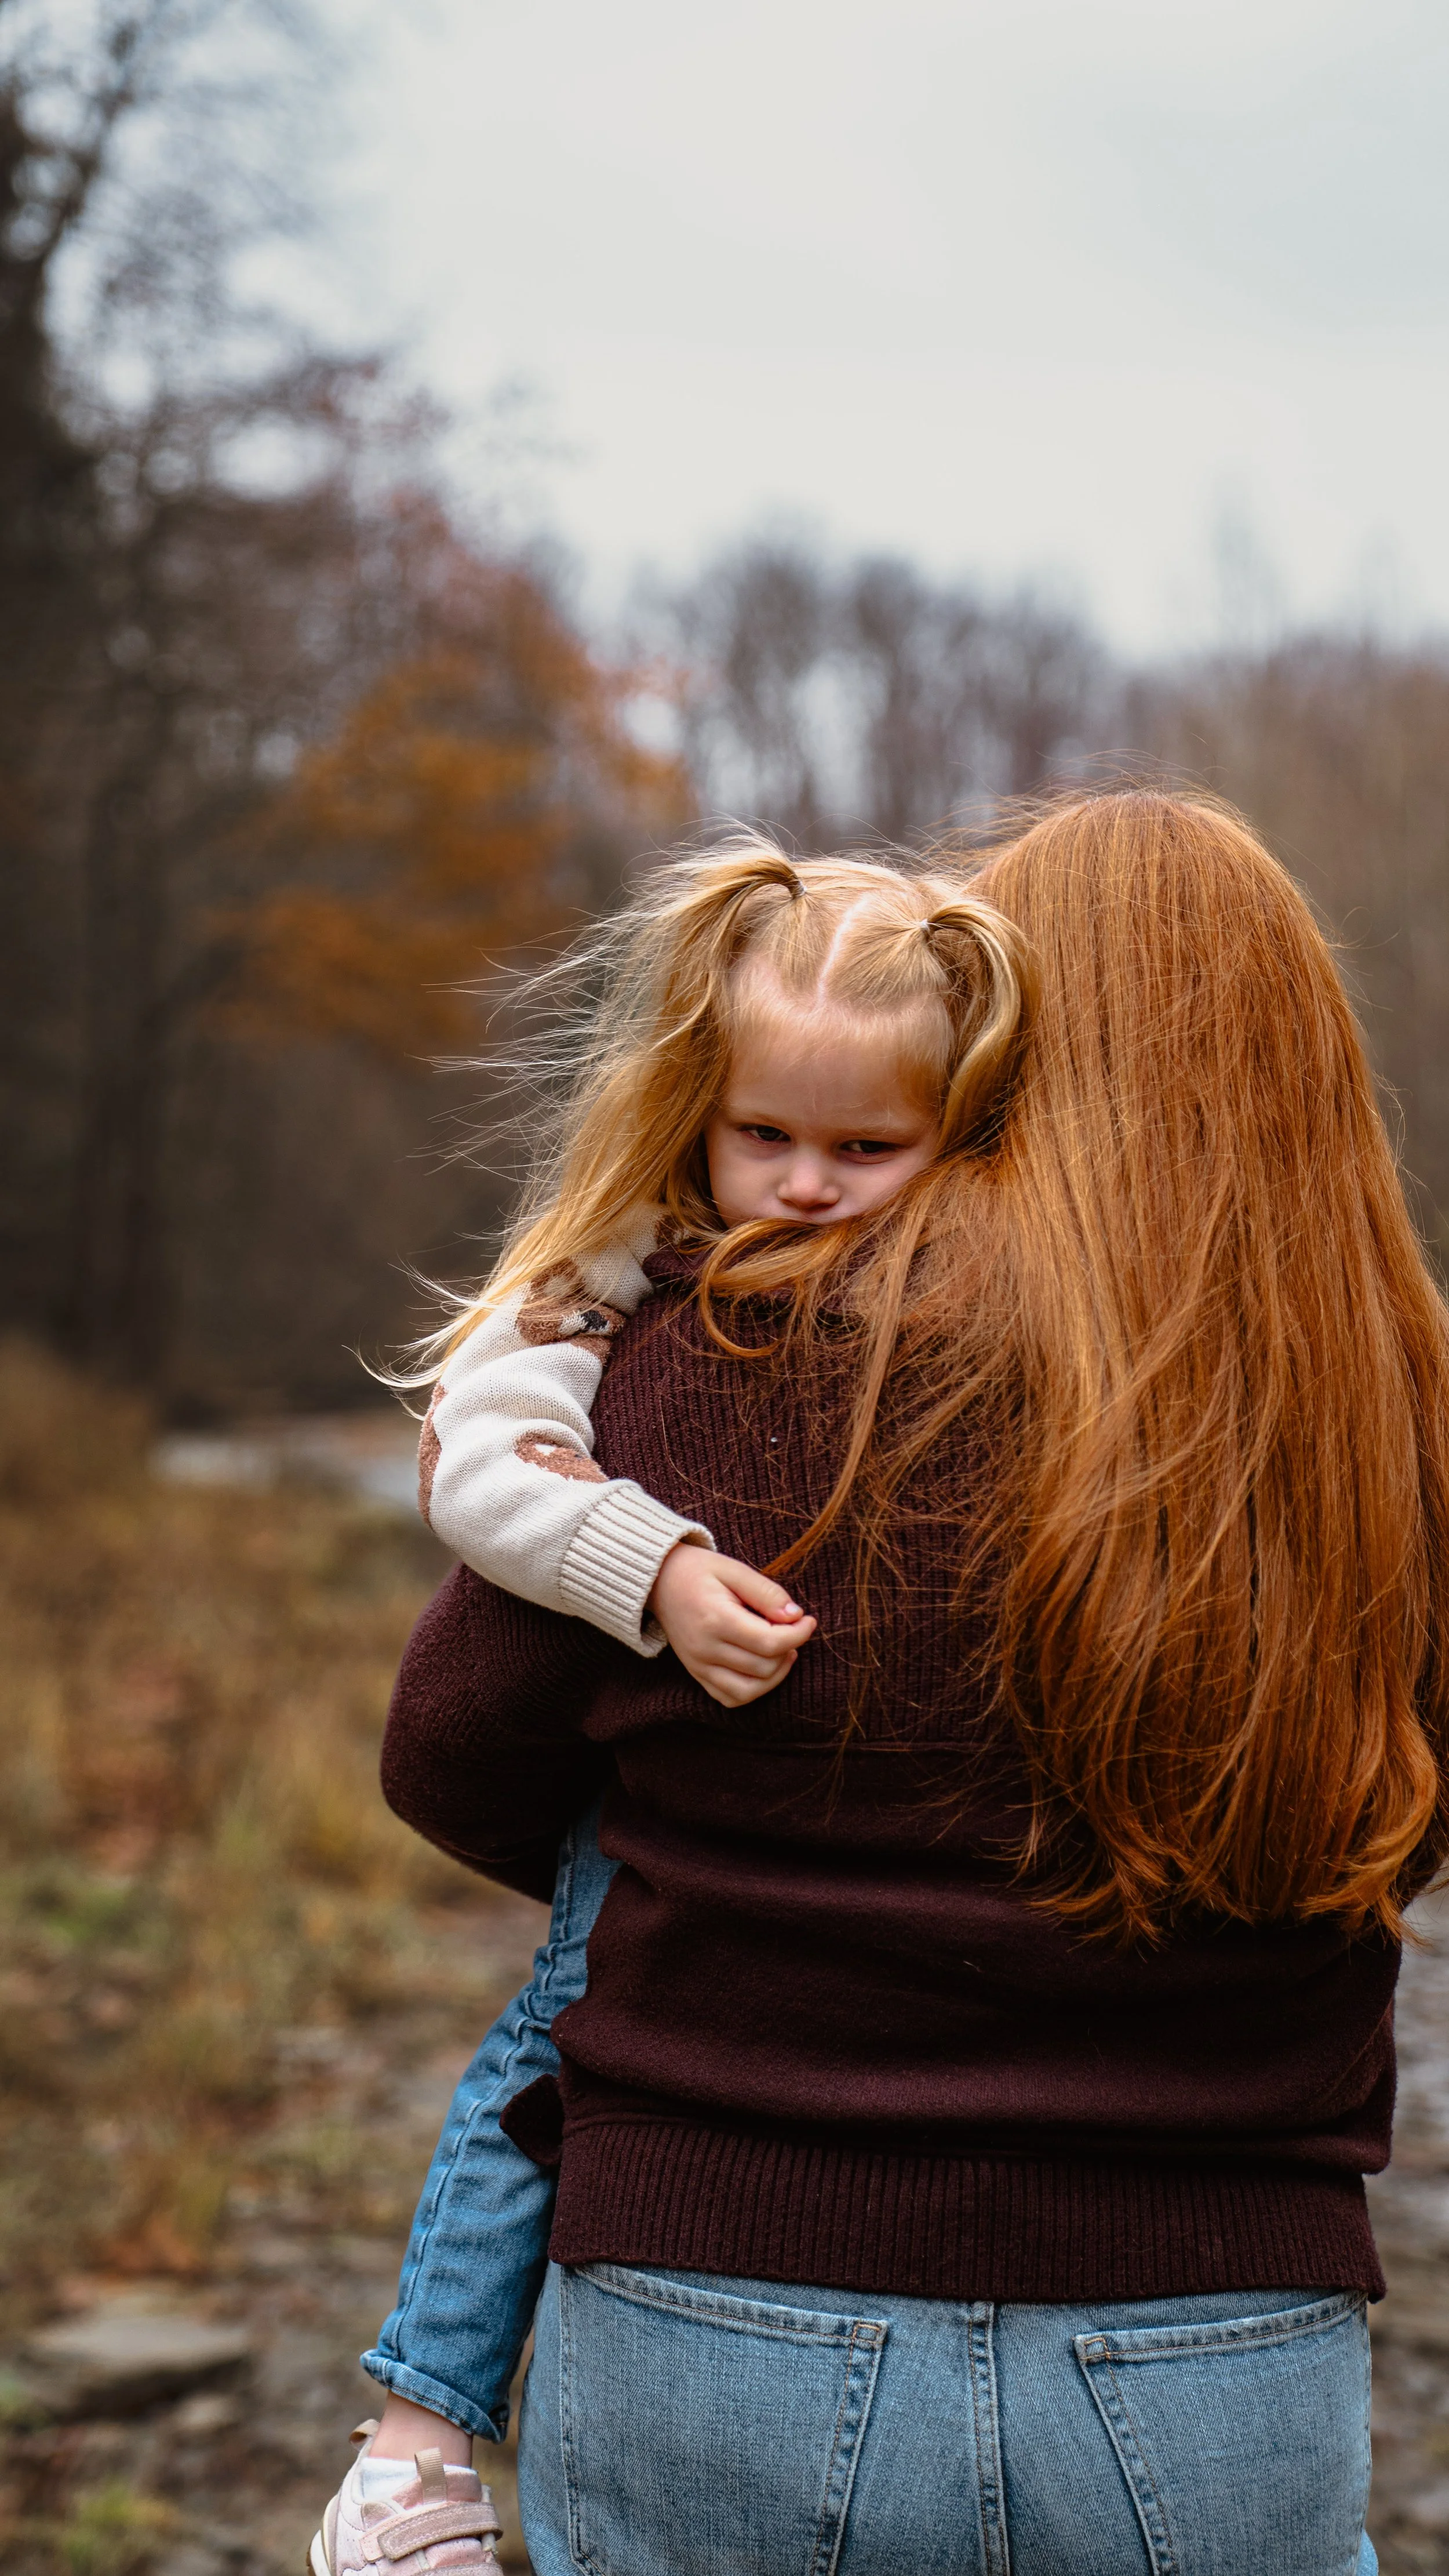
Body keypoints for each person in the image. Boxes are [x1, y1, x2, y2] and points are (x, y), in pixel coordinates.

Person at [309, 845, 1024, 2576]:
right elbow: (483, 1460)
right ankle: (412, 2446)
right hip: (646, 1796)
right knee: (541, 2059)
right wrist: (653, 1570)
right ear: (696, 1111)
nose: (801, 1184)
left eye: (868, 1150)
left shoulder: (987, 1281)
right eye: (762, 1135)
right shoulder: (626, 1271)